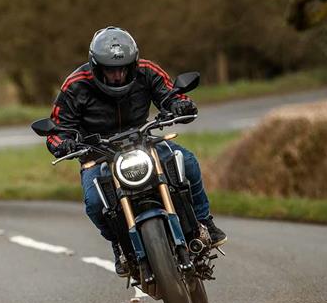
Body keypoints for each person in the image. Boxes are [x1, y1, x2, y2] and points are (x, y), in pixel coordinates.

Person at [46, 26, 227, 276]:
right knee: (95, 203)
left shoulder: (147, 70)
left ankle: (204, 221)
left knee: (187, 162)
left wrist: (180, 105)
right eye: (110, 70)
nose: (117, 75)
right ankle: (119, 245)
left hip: (143, 141)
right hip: (97, 154)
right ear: (96, 66)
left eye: (123, 69)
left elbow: (170, 95)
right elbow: (57, 128)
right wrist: (63, 143)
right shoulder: (76, 85)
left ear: (133, 63)